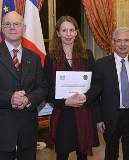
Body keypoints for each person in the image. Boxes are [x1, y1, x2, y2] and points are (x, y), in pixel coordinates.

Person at [0, 11, 48, 160]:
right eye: (7, 24)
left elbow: (43, 87)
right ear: (2, 28)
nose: (12, 27)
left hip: (28, 129)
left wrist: (28, 99)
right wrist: (10, 98)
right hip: (1, 130)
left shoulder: (34, 57)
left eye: (16, 24)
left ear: (24, 28)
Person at [85, 27, 129, 160]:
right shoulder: (101, 64)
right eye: (119, 41)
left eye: (126, 40)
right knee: (111, 152)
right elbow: (95, 96)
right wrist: (98, 119)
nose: (123, 44)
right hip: (110, 117)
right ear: (113, 43)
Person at [43, 16, 99, 160]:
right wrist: (64, 102)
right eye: (64, 30)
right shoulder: (50, 57)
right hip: (63, 113)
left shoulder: (87, 55)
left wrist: (86, 97)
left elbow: (98, 83)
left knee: (82, 154)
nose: (68, 34)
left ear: (76, 32)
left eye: (71, 30)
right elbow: (46, 88)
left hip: (84, 110)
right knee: (62, 153)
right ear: (58, 33)